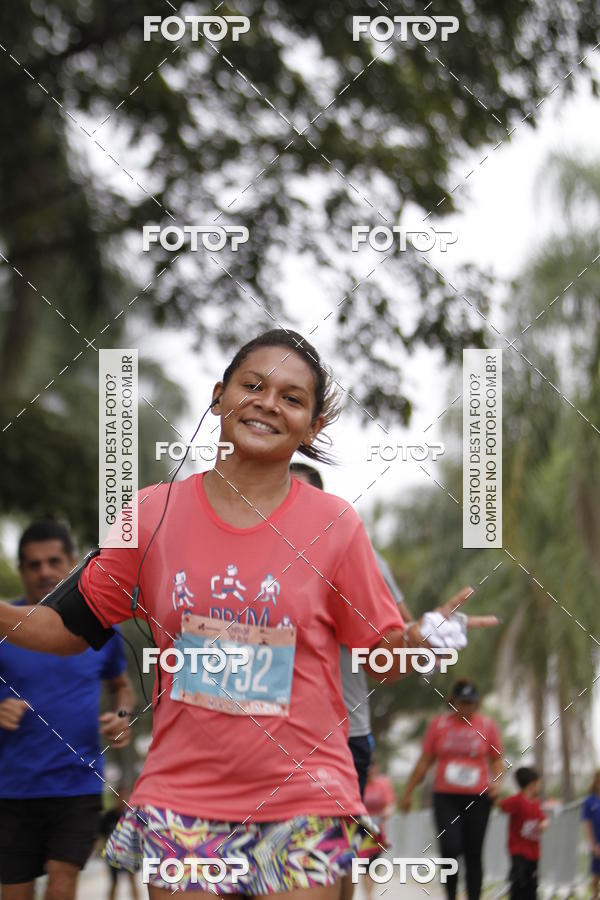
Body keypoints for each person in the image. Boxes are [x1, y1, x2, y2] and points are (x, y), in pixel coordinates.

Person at [0, 330, 497, 898]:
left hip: (306, 796)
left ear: (311, 427)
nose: (267, 402)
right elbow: (65, 628)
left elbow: (379, 659)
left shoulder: (336, 524)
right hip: (182, 799)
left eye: (292, 397)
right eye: (253, 385)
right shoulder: (150, 512)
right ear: (218, 397)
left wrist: (419, 639)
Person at [0, 520, 135, 900]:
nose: (44, 571)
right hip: (11, 788)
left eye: (53, 561)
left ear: (73, 562)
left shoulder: (99, 628)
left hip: (77, 785)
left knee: (63, 882)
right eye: (33, 564)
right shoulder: (3, 623)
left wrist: (122, 718)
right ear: (22, 568)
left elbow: (121, 687)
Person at [289, 461, 413, 800]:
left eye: (304, 498)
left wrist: (426, 635)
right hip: (267, 737)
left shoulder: (356, 553)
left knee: (333, 851)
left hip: (343, 737)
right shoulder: (252, 555)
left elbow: (396, 641)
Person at [400, 679, 504, 900]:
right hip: (446, 797)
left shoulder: (487, 726)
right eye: (462, 702)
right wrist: (408, 793)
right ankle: (451, 894)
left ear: (478, 704)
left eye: (471, 703)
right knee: (450, 848)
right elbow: (424, 762)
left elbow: (497, 760)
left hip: (478, 797)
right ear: (453, 702)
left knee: (473, 852)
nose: (467, 707)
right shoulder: (438, 726)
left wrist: (498, 783)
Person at [499, 767, 547, 900]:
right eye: (538, 783)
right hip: (518, 851)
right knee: (519, 882)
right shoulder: (517, 801)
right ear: (532, 784)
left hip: (534, 852)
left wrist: (544, 824)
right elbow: (502, 805)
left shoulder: (536, 803)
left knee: (532, 883)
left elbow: (542, 818)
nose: (539, 787)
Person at [99, 787, 141, 900]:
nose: (122, 799)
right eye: (119, 797)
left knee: (132, 881)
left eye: (125, 797)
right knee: (114, 882)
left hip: (130, 855)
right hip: (113, 855)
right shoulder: (108, 816)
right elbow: (101, 837)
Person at [363, 761, 395, 900]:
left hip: (378, 833)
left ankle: (370, 894)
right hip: (361, 832)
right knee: (364, 866)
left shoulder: (382, 784)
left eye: (372, 766)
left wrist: (386, 813)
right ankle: (368, 896)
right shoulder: (359, 784)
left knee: (374, 865)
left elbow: (390, 804)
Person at [582, 770, 600, 900]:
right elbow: (587, 825)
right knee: (596, 873)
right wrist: (593, 844)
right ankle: (594, 894)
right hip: (597, 843)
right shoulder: (589, 801)